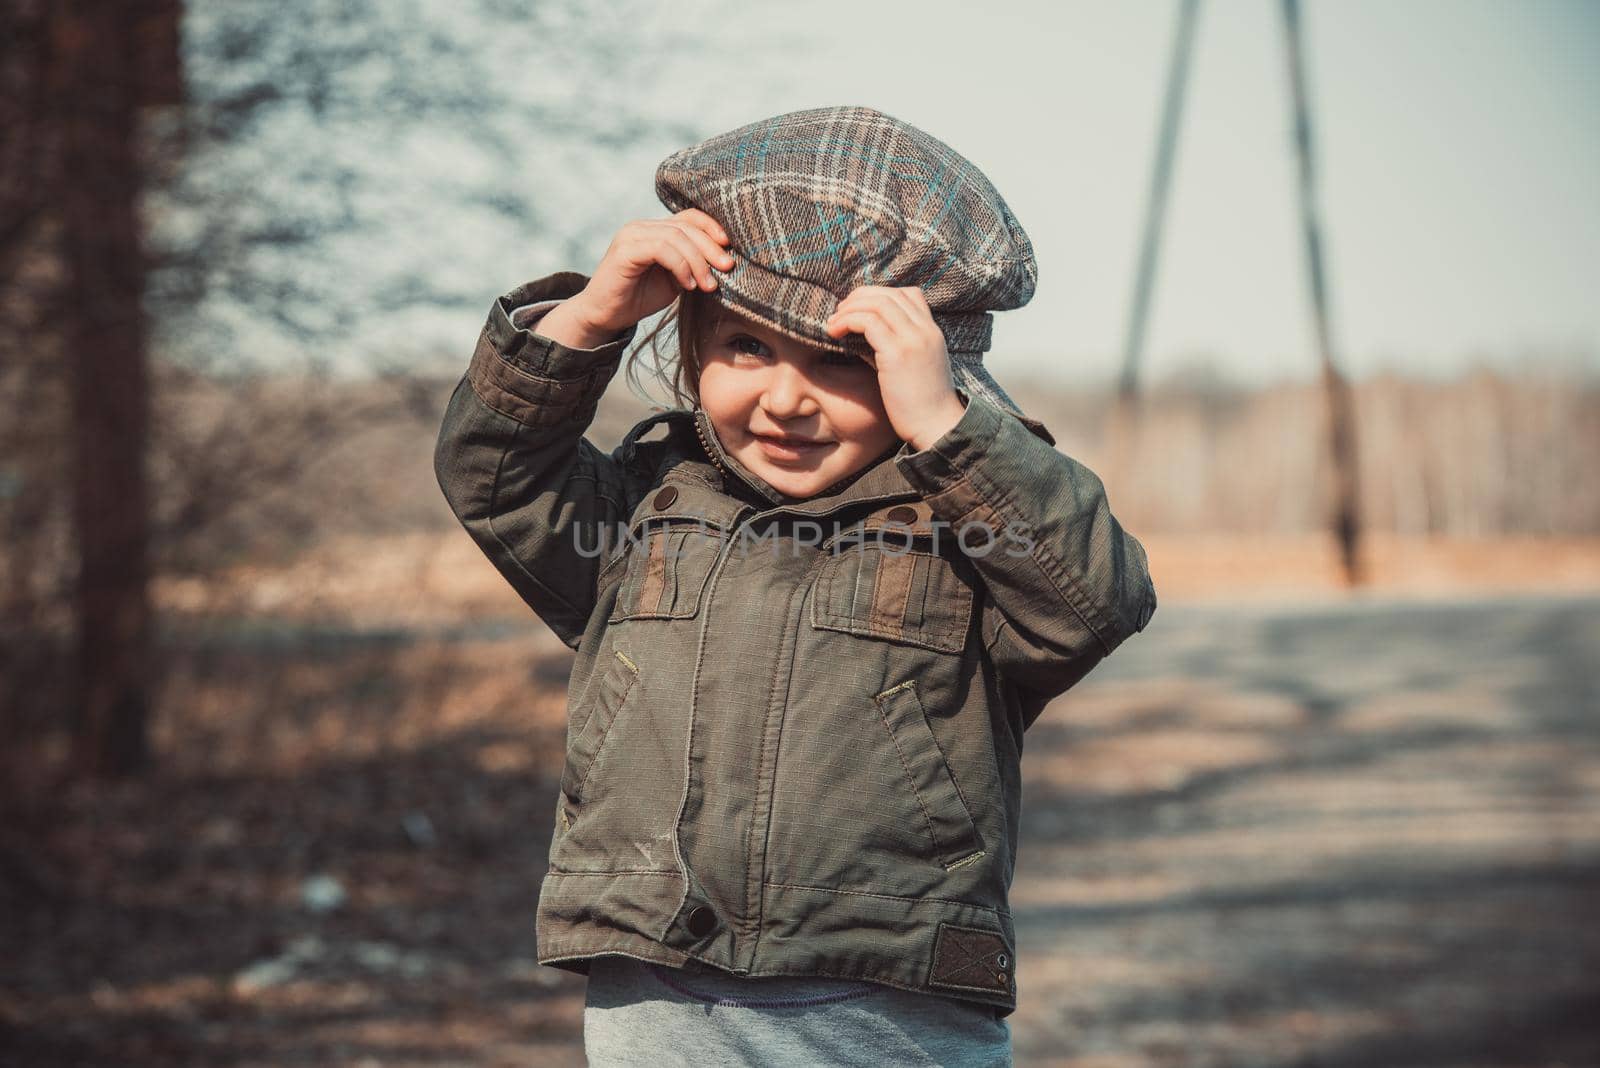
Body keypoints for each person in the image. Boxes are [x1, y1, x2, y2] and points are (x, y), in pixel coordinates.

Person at [434, 105, 1158, 1066]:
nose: (784, 398)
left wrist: (951, 429)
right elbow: (494, 474)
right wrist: (586, 319)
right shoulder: (641, 512)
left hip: (887, 1001)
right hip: (661, 987)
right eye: (746, 349)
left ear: (926, 372)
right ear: (692, 347)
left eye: (841, 362)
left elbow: (1095, 597)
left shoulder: (964, 527)